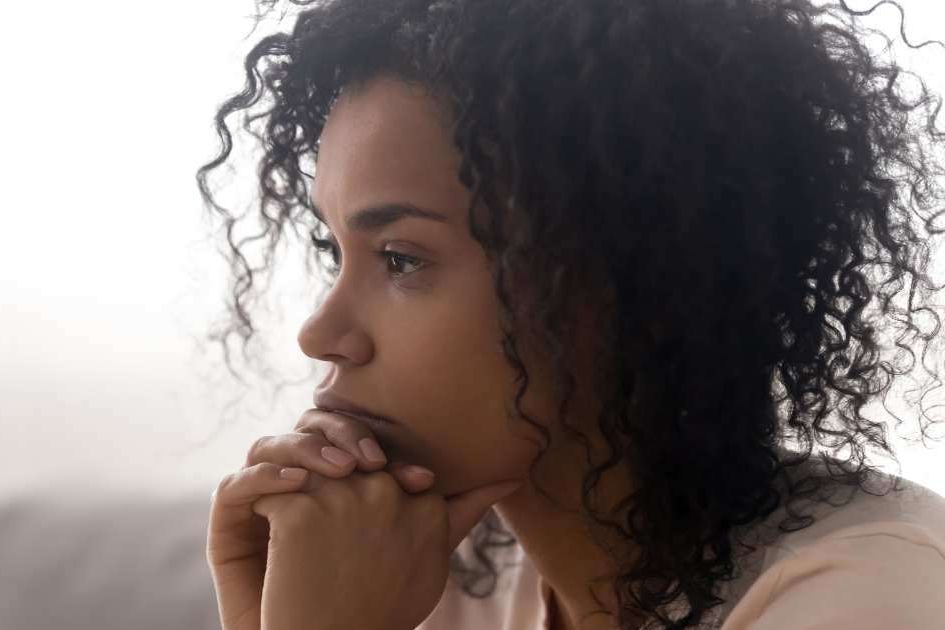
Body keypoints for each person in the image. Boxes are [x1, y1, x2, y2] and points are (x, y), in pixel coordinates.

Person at [195, 0, 945, 628]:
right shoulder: (428, 574)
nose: (321, 335)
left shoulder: (868, 597)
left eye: (401, 259)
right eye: (337, 252)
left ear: (645, 278)